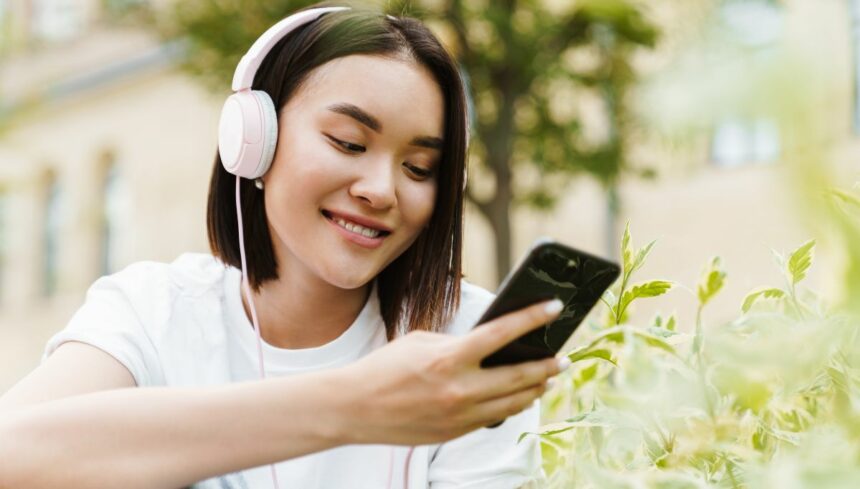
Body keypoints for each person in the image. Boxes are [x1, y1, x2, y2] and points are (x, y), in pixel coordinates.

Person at [0, 4, 570, 488]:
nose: (381, 190)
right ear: (253, 139)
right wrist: (354, 405)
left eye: (419, 168)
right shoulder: (155, 311)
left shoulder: (463, 341)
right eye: (348, 143)